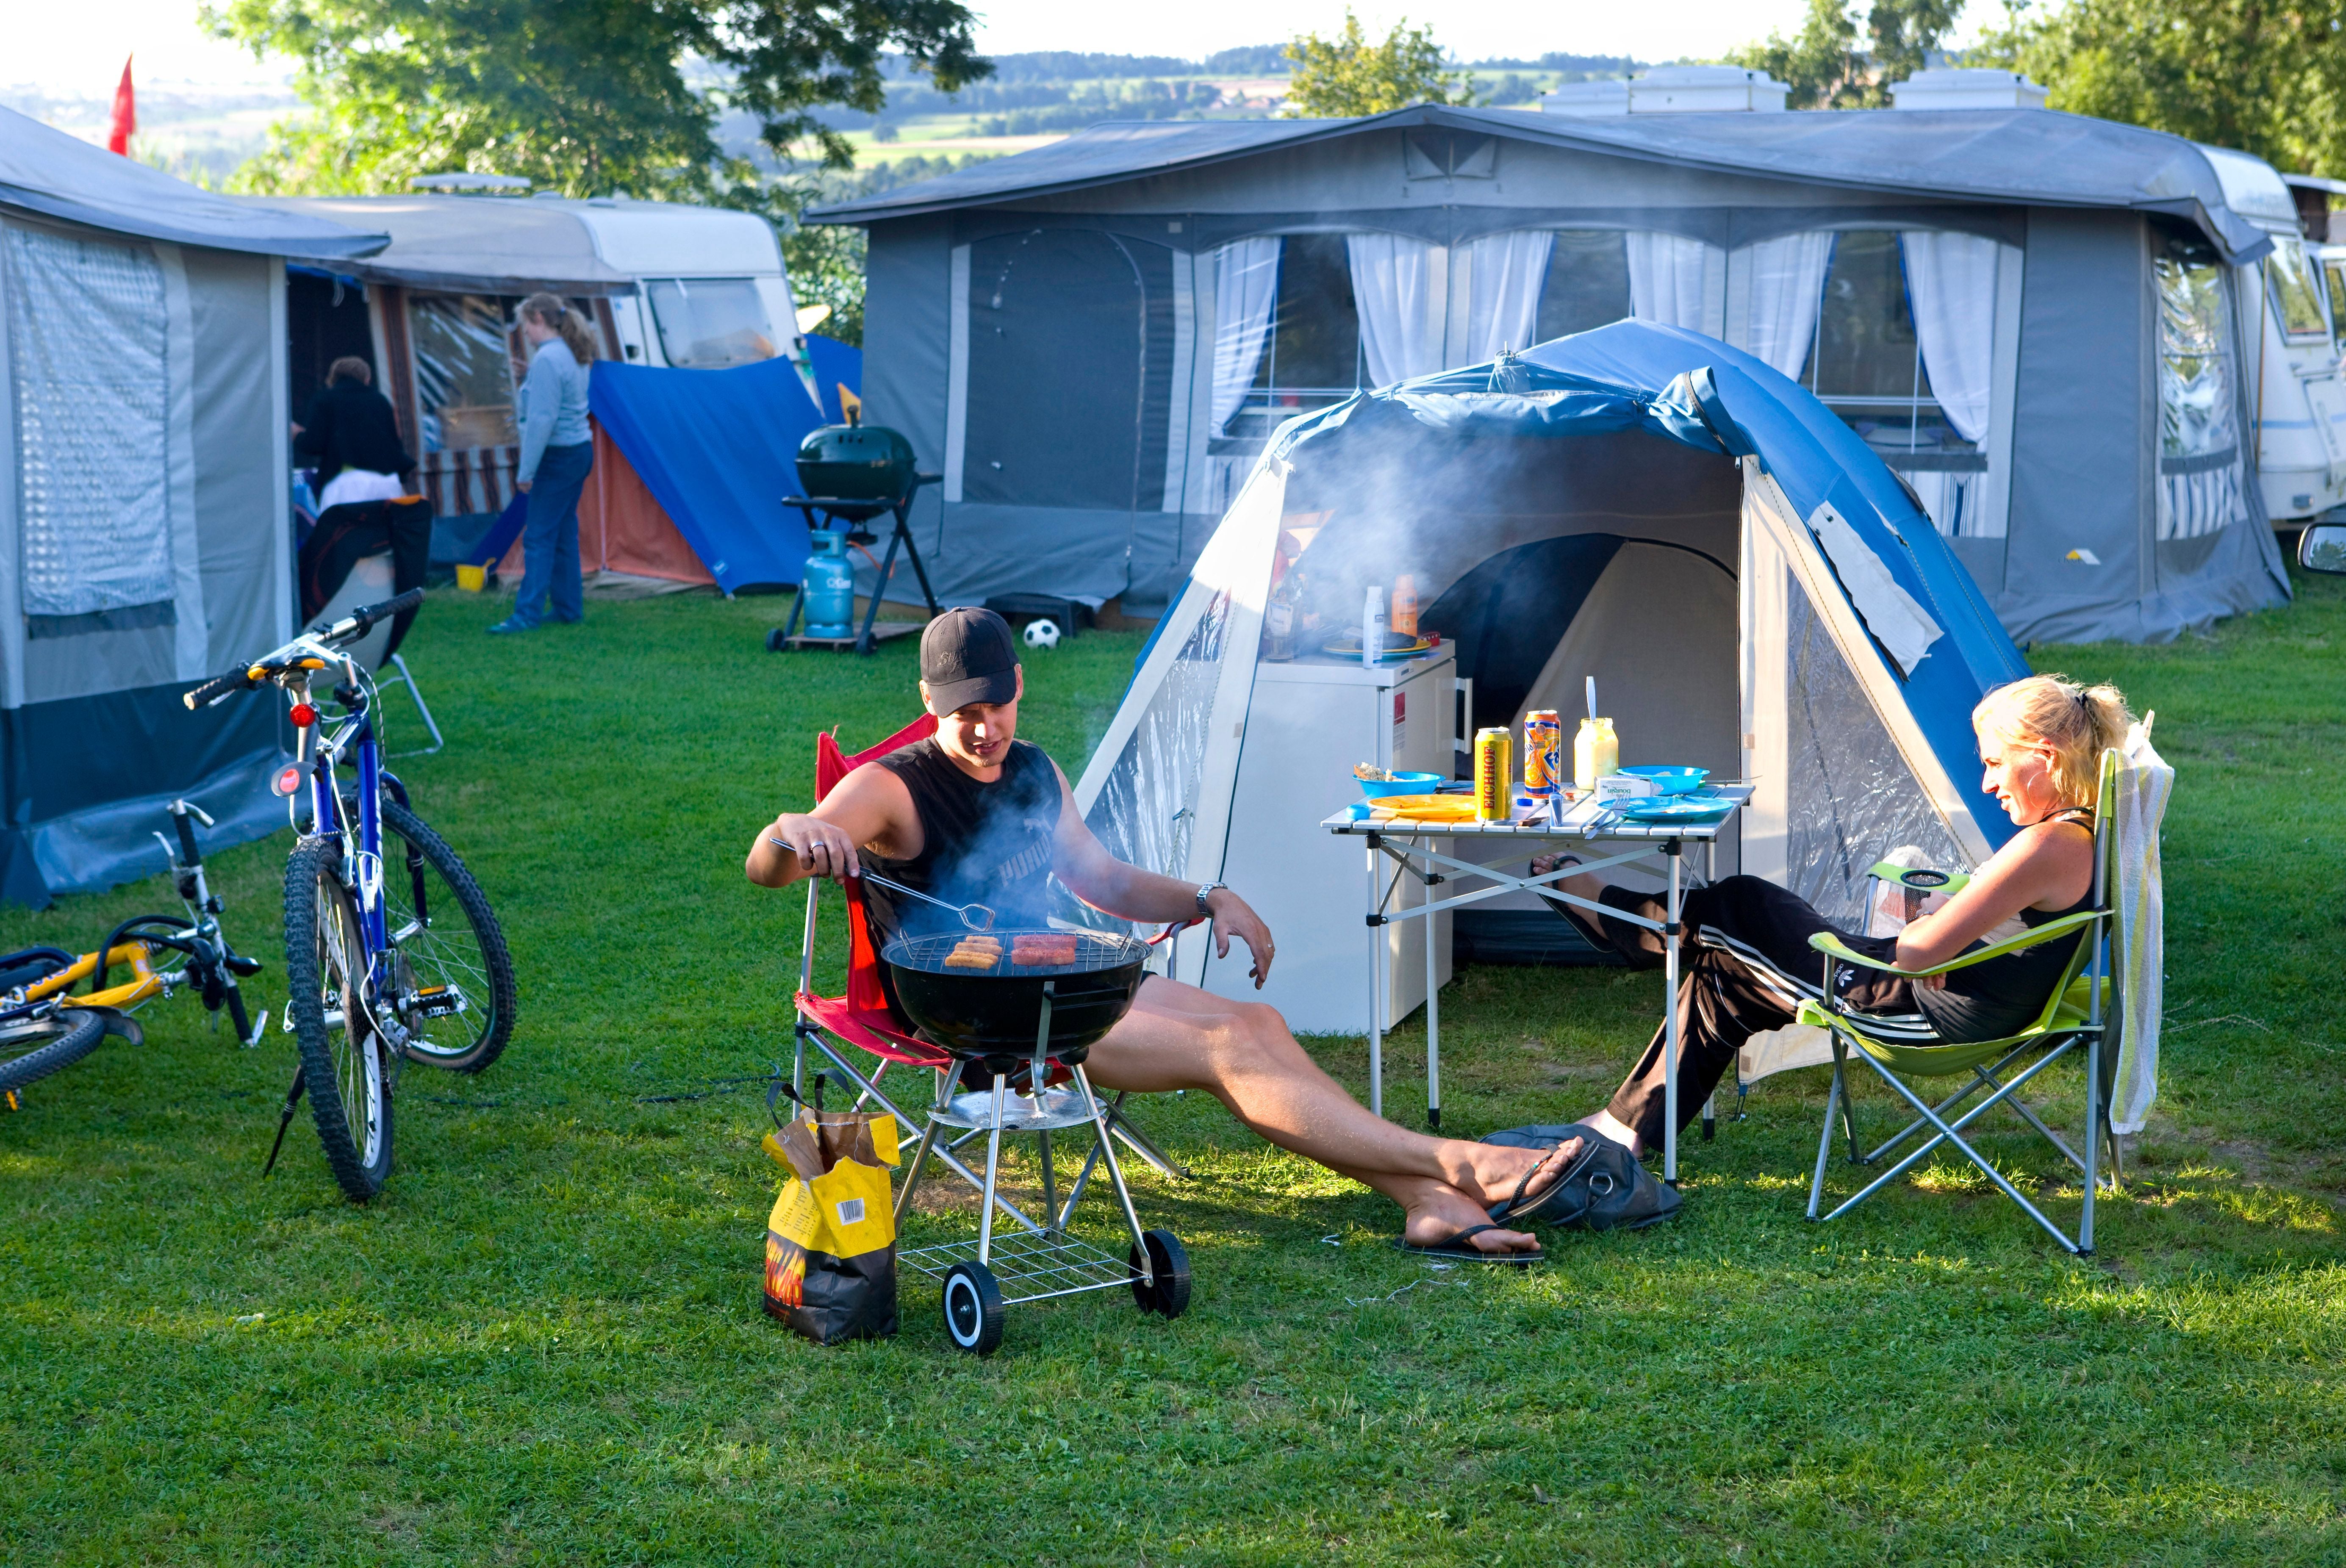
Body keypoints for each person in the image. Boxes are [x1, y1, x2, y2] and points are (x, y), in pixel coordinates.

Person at [744, 609, 1585, 1260]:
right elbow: (771, 862)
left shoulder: (1034, 768)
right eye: (964, 712)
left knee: (1256, 1026)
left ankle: (1428, 1203)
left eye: (997, 704)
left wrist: (1208, 897)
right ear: (929, 702)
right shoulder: (889, 789)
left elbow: (1101, 880)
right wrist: (790, 831)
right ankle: (1458, 1165)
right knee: (1227, 1051)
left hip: (1064, 975)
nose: (984, 728)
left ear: (1018, 685)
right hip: (983, 1017)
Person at [1536, 673, 2132, 1158]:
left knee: (1742, 905)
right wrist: (1944, 932)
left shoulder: (2047, 846)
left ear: (2044, 756)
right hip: (1938, 994)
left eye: (1995, 764)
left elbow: (1918, 952)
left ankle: (1612, 920)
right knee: (1728, 974)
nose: (1985, 784)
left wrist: (1934, 937)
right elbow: (1971, 929)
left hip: (1917, 1013)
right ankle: (1626, 1128)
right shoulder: (2076, 834)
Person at [490, 293, 596, 634]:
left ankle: (526, 615)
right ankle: (568, 609)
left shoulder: (549, 359)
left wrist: (527, 471)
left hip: (558, 456)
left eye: (525, 325)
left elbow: (542, 421)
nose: (525, 333)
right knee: (563, 533)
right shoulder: (570, 351)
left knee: (538, 537)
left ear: (538, 318)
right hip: (578, 450)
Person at [294, 356, 411, 510]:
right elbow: (395, 444)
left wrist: (297, 435)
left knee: (342, 533)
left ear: (332, 379)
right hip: (388, 483)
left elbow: (313, 445)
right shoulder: (381, 401)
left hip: (346, 484)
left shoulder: (325, 400)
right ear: (367, 379)